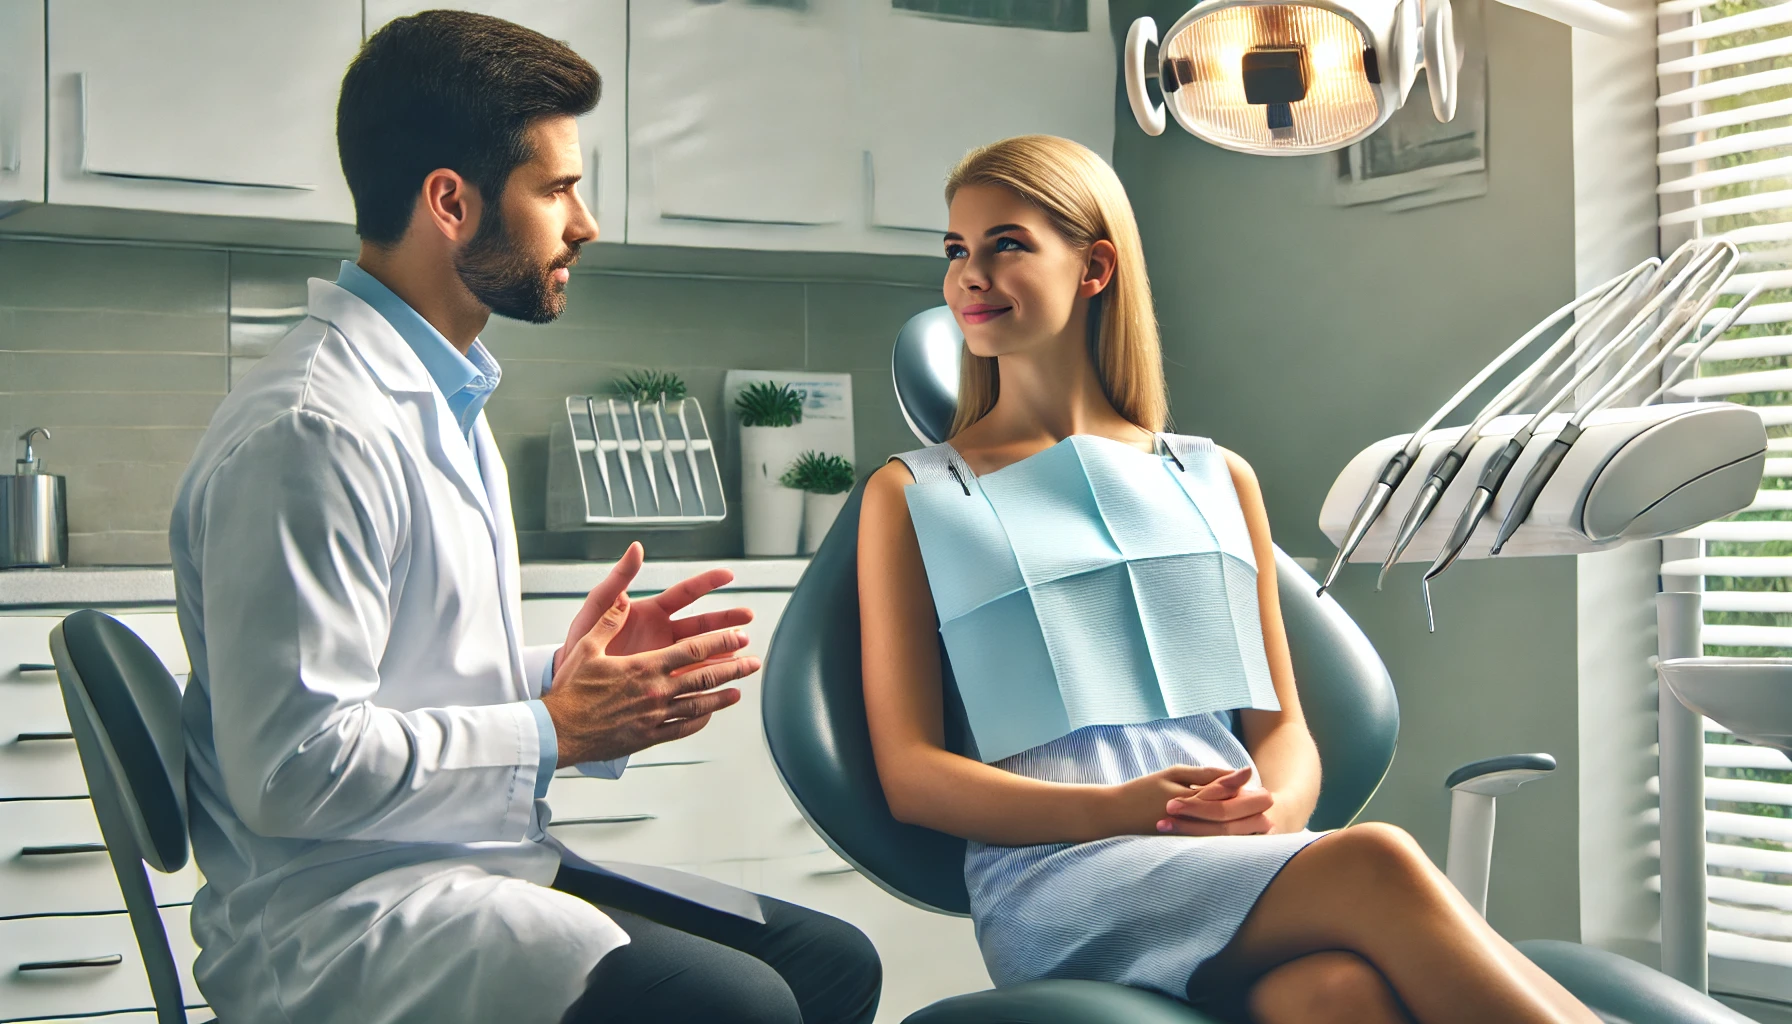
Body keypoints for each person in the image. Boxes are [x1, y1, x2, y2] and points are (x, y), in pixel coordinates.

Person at [169, 12, 878, 1024]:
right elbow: (294, 769)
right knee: (745, 1006)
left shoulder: (440, 398)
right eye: (554, 189)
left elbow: (402, 682)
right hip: (340, 921)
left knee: (832, 962)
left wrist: (570, 676)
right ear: (450, 202)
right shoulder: (313, 430)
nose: (582, 224)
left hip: (454, 861)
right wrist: (552, 728)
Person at [856, 134, 1600, 1024]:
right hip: (1062, 874)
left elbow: (1281, 728)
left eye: (1005, 244)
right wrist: (1118, 808)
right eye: (955, 251)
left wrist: (1273, 812)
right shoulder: (915, 494)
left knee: (1335, 997)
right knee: (1379, 859)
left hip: (1236, 855)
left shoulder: (1215, 477)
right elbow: (912, 774)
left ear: (1094, 269)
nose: (969, 275)